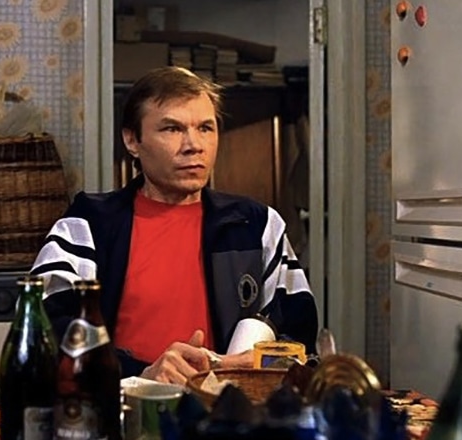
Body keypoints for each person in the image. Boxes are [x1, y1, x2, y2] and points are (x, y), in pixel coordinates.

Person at [31, 66, 318, 384]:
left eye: (205, 128)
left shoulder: (257, 225)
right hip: (122, 407)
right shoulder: (87, 226)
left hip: (228, 407)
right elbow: (45, 333)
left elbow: (300, 338)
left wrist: (257, 364)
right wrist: (141, 375)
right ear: (132, 140)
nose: (194, 145)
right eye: (172, 129)